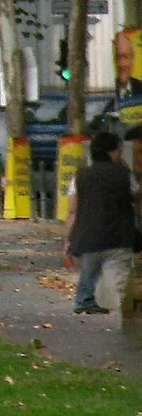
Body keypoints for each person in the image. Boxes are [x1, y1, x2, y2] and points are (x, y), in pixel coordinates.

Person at [64, 130, 138, 316]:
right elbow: (137, 195)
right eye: (119, 150)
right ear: (112, 152)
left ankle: (84, 300)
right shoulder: (124, 175)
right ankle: (118, 307)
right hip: (119, 238)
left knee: (89, 270)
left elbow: (72, 211)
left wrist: (68, 240)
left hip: (88, 239)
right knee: (117, 276)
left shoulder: (80, 176)